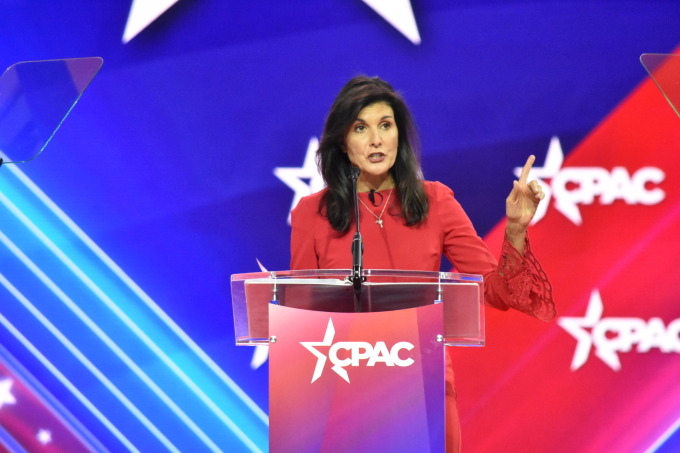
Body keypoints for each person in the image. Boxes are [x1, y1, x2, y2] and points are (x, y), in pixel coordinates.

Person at [289, 75, 556, 452]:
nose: (377, 140)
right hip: (344, 393)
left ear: (400, 135)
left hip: (424, 385)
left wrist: (515, 229)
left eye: (385, 125)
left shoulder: (436, 202)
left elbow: (497, 291)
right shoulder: (311, 213)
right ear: (342, 144)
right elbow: (300, 318)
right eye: (361, 128)